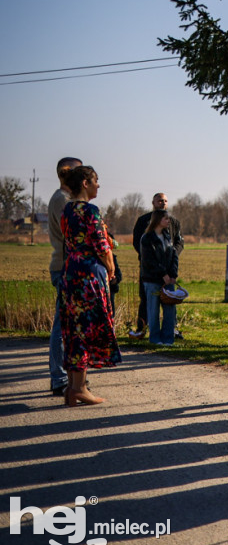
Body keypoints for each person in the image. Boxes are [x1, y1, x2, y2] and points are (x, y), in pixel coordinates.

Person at [60, 165, 121, 406]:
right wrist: (110, 266)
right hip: (89, 275)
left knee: (74, 329)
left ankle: (74, 386)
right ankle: (80, 388)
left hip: (71, 271)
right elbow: (100, 243)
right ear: (85, 183)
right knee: (86, 328)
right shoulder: (90, 210)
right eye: (96, 181)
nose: (98, 185)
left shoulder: (67, 210)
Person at [46, 156, 82, 396]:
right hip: (64, 267)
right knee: (62, 325)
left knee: (67, 324)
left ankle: (65, 377)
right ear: (67, 174)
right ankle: (59, 378)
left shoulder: (67, 199)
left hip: (68, 266)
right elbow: (73, 233)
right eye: (80, 172)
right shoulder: (62, 200)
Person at [131, 194, 183, 339]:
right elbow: (138, 244)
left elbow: (178, 243)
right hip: (150, 272)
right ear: (153, 202)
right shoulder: (143, 222)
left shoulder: (173, 223)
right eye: (160, 200)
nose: (163, 203)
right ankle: (142, 329)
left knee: (169, 303)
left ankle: (171, 331)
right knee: (147, 301)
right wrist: (156, 262)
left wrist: (173, 258)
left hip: (168, 270)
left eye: (166, 200)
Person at [139, 209, 180, 346]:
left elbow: (174, 255)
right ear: (158, 220)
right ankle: (155, 339)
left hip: (168, 280)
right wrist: (163, 274)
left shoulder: (168, 237)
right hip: (152, 280)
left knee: (169, 310)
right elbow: (149, 260)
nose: (169, 221)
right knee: (153, 310)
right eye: (166, 218)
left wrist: (173, 274)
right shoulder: (147, 238)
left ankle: (168, 338)